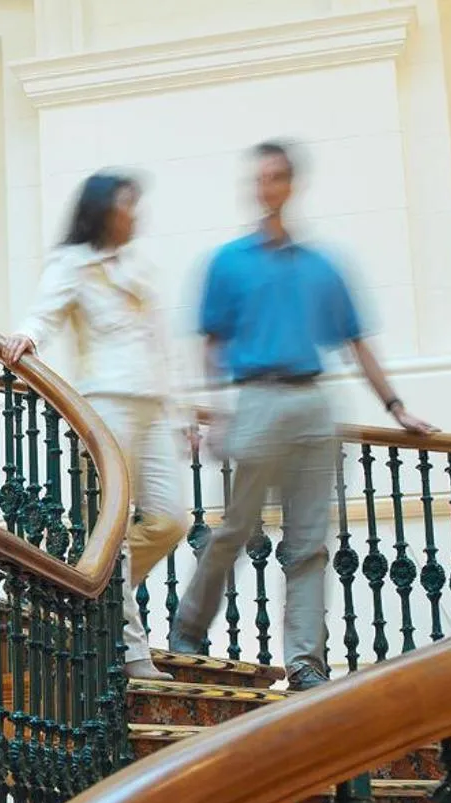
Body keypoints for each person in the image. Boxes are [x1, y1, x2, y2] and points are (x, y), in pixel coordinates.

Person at [167, 141, 436, 690]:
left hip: (314, 404)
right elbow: (212, 342)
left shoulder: (323, 266)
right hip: (258, 400)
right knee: (237, 529)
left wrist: (396, 406)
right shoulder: (228, 262)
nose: (267, 188)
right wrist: (217, 414)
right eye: (260, 179)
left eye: (277, 178)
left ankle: (305, 663)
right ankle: (188, 631)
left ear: (291, 185)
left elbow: (357, 342)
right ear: (254, 187)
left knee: (310, 542)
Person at [0, 172, 190, 682]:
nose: (136, 214)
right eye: (128, 204)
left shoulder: (137, 268)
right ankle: (132, 652)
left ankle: (88, 596)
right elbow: (45, 314)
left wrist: (183, 411)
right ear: (104, 209)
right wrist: (25, 338)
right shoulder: (73, 263)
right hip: (106, 408)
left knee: (173, 519)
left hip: (151, 407)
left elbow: (160, 346)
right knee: (112, 532)